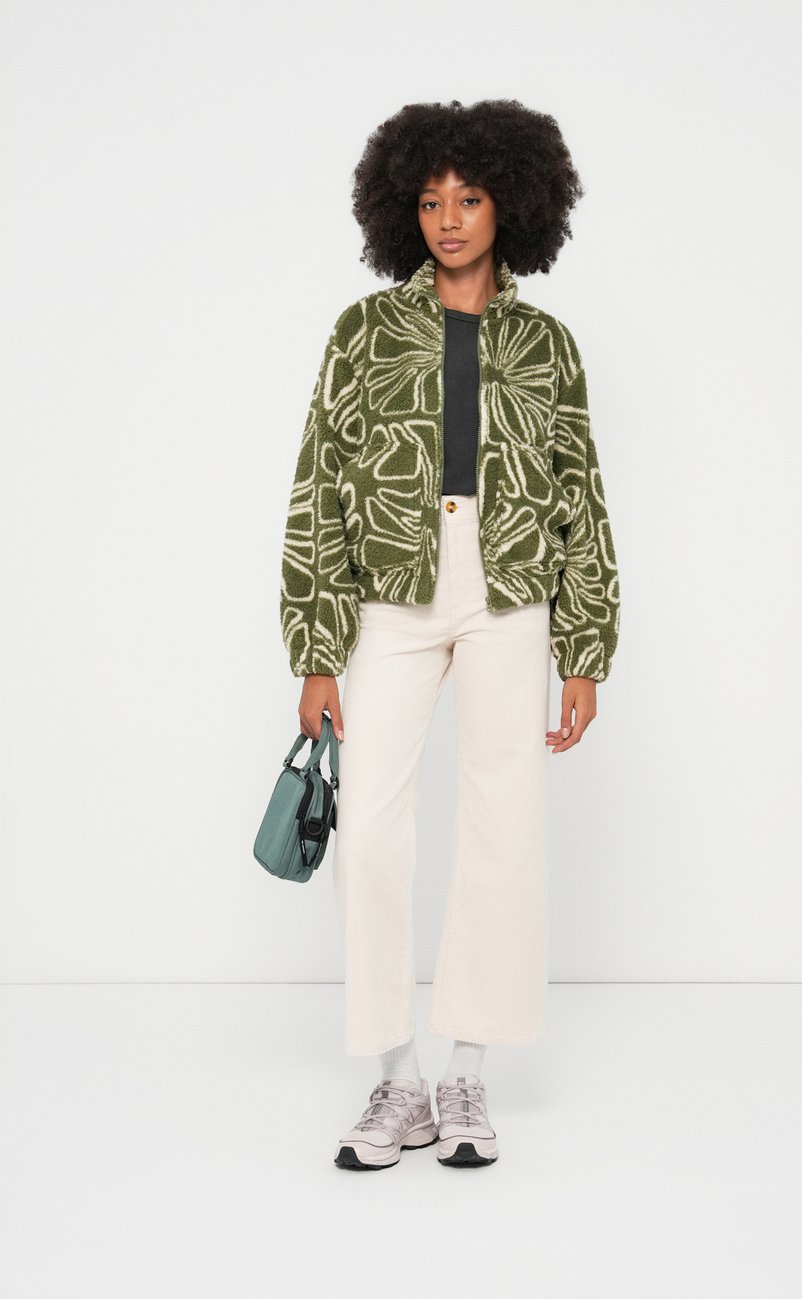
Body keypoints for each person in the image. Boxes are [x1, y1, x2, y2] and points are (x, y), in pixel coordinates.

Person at [280, 98, 620, 1170]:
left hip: (511, 589)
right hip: (390, 587)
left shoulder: (547, 345)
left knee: (503, 821)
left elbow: (580, 494)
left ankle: (468, 1068)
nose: (450, 220)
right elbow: (320, 482)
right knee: (370, 830)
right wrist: (316, 649)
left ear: (512, 203)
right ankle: (397, 1078)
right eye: (429, 202)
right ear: (402, 212)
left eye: (469, 198)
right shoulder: (363, 332)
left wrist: (586, 649)